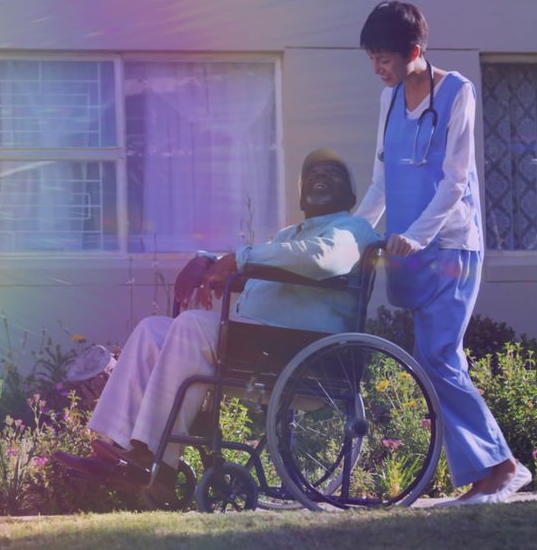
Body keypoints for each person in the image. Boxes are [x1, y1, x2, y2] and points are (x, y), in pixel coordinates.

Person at [54, 149, 380, 502]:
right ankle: (116, 444)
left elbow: (321, 259)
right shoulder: (291, 234)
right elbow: (258, 263)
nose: (319, 175)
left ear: (350, 196)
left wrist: (238, 258)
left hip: (300, 351)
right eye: (311, 172)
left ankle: (157, 462)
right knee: (152, 330)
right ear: (301, 196)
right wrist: (206, 263)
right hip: (259, 343)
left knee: (192, 327)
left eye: (333, 172)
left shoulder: (352, 228)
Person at [356, 0, 529, 505]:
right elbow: (379, 184)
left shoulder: (457, 93)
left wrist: (420, 235)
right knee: (436, 362)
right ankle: (489, 471)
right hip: (407, 250)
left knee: (437, 356)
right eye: (371, 58)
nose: (378, 68)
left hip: (450, 246)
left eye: (384, 57)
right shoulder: (387, 102)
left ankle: (503, 468)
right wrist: (350, 235)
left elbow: (456, 181)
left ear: (414, 51)